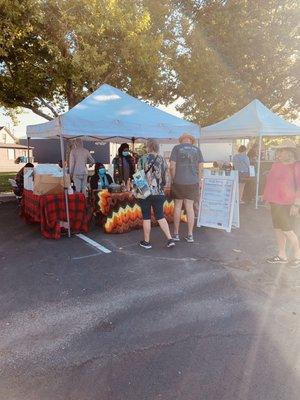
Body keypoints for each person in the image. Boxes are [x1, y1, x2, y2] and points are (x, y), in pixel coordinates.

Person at [263, 139, 300, 267]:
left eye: (282, 150)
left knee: (288, 231)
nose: (279, 152)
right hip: (275, 203)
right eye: (279, 150)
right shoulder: (276, 165)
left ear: (290, 152)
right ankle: (282, 255)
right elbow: (270, 182)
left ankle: (297, 256)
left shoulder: (296, 166)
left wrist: (296, 204)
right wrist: (267, 199)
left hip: (287, 204)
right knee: (278, 229)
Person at [137, 139, 175, 249]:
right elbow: (165, 178)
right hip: (159, 192)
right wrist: (161, 187)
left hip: (145, 192)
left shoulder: (142, 159)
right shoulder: (162, 159)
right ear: (157, 147)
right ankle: (170, 239)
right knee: (160, 216)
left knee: (146, 217)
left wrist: (142, 191)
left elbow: (138, 176)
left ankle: (147, 242)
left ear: (147, 146)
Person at [170, 133, 204, 243]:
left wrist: (174, 178)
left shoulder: (176, 148)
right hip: (192, 182)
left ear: (182, 140)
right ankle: (190, 235)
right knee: (190, 207)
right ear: (191, 140)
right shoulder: (197, 150)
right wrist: (199, 181)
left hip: (179, 181)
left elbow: (172, 166)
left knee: (178, 206)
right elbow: (201, 167)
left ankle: (175, 234)